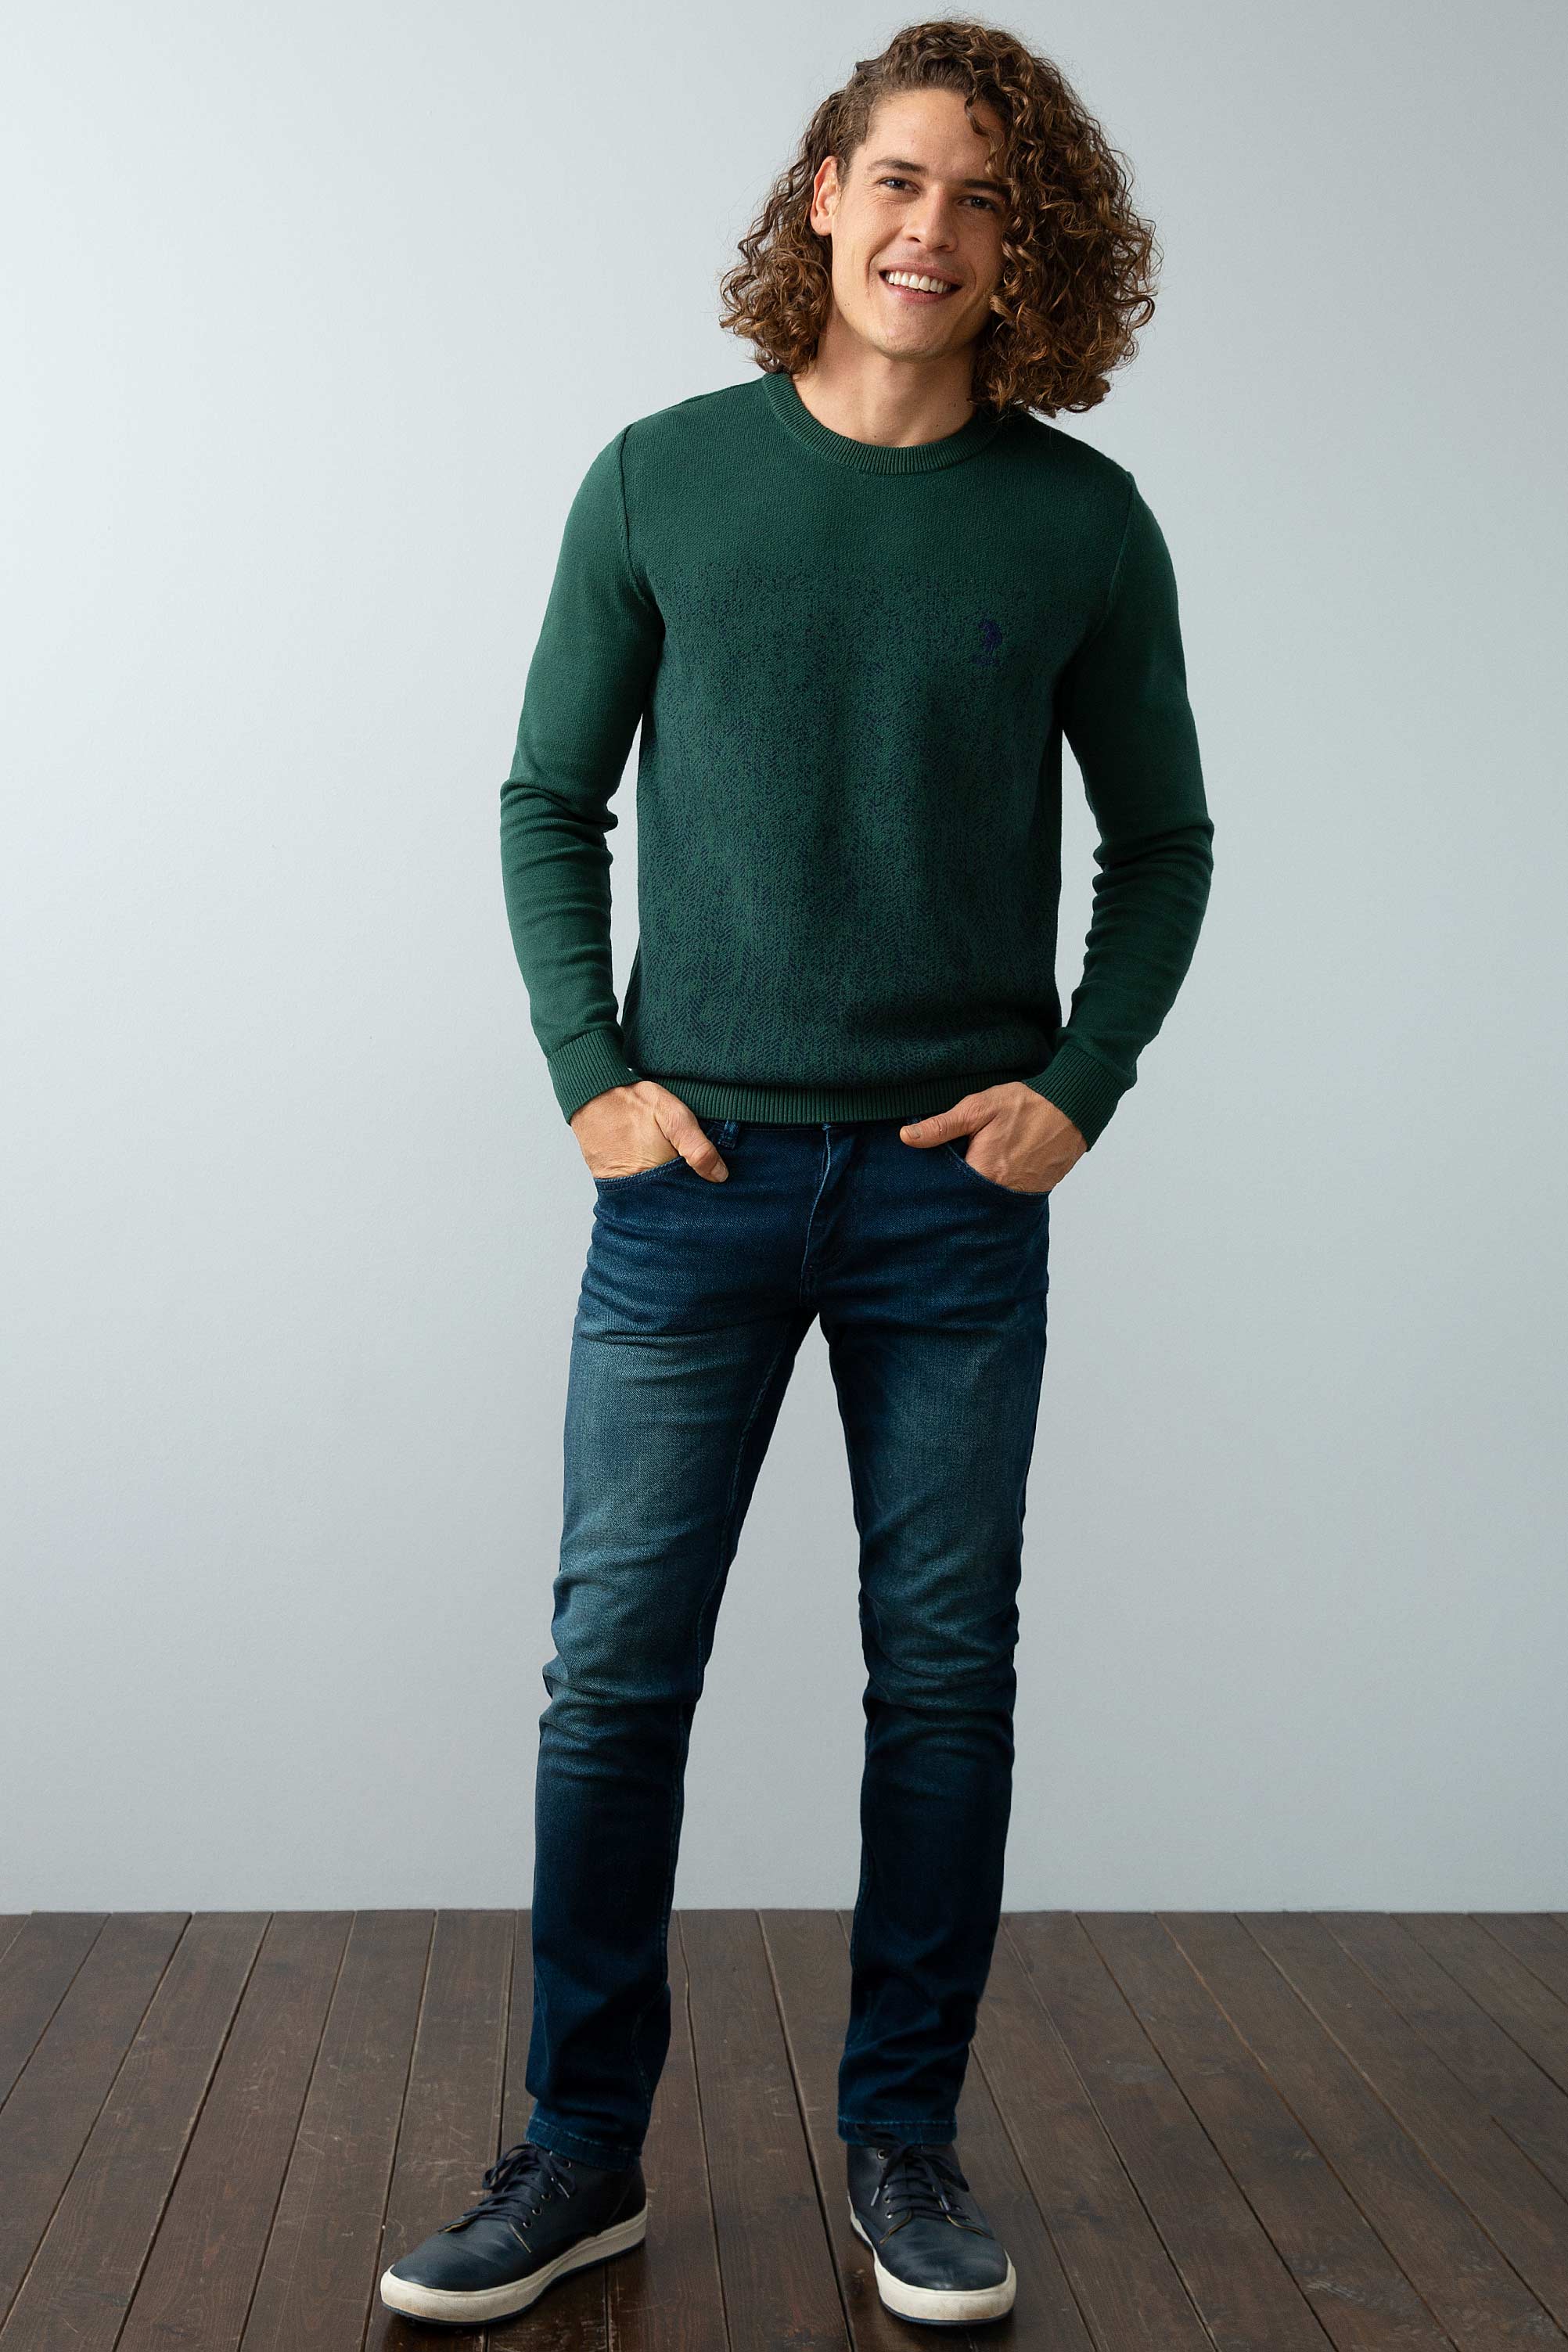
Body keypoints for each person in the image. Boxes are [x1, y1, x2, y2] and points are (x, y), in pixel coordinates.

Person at [382, 16, 1214, 2332]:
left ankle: (904, 2148)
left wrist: (1082, 1083)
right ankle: (577, 2158)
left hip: (953, 1198)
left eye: (983, 200)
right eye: (899, 179)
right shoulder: (661, 480)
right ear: (824, 196)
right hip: (695, 1181)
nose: (932, 229)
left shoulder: (1078, 522)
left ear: (1028, 249)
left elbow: (1162, 842)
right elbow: (549, 797)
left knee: (940, 1683)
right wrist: (587, 1069)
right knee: (611, 1682)